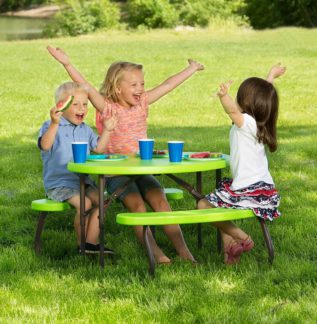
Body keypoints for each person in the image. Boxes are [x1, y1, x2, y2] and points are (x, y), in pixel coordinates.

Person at [47, 46, 204, 264]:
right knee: (137, 207)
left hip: (142, 169)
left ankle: (184, 251)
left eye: (142, 83)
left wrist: (192, 69)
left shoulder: (143, 103)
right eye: (134, 84)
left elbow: (168, 85)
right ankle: (155, 252)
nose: (140, 88)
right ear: (117, 88)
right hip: (116, 174)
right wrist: (67, 63)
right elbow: (88, 88)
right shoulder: (108, 108)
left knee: (161, 201)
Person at [198, 64, 286, 265]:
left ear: (246, 102)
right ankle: (231, 250)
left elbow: (231, 111)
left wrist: (223, 97)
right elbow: (265, 98)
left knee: (203, 205)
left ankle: (241, 237)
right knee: (217, 203)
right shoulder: (260, 123)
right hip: (263, 189)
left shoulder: (245, 121)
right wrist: (270, 76)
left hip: (247, 189)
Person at [38, 81, 117, 254]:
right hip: (59, 183)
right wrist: (54, 123)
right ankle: (82, 245)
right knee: (85, 203)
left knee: (102, 201)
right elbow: (44, 145)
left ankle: (91, 243)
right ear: (62, 107)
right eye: (75, 104)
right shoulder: (51, 126)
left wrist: (108, 130)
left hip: (83, 181)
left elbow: (98, 149)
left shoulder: (85, 129)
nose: (81, 108)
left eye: (85, 104)